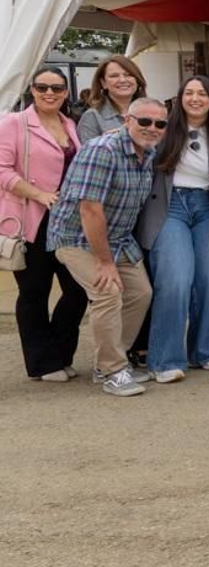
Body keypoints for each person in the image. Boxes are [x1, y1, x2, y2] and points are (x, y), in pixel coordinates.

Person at [47, 96, 165, 396]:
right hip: (77, 238)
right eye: (144, 121)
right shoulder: (103, 150)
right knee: (106, 291)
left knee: (141, 292)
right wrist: (104, 261)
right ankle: (113, 371)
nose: (152, 128)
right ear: (127, 120)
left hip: (118, 239)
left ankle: (109, 362)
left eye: (160, 123)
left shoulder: (147, 153)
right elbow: (90, 210)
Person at [134, 76, 209, 385]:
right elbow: (135, 141)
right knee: (176, 280)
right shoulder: (163, 130)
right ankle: (164, 359)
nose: (195, 98)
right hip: (171, 208)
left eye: (202, 93)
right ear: (180, 98)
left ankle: (204, 351)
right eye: (189, 93)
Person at [0, 66, 87, 382]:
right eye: (42, 87)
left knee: (78, 290)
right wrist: (40, 193)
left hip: (68, 221)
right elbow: (2, 170)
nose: (49, 93)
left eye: (57, 88)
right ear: (32, 90)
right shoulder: (14, 124)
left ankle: (61, 353)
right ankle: (43, 363)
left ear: (66, 92)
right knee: (35, 291)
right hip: (32, 219)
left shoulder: (70, 124)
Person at [76, 54, 146, 141]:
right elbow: (88, 153)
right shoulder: (92, 117)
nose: (122, 80)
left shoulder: (152, 112)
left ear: (137, 80)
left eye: (128, 75)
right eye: (114, 76)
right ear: (103, 83)